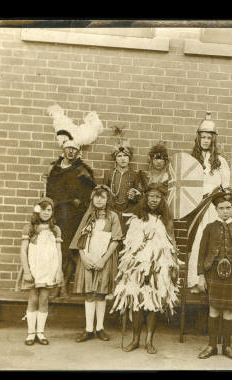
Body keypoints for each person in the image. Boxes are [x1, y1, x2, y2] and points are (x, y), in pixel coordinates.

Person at [110, 183, 181, 354]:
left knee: (153, 303)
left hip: (159, 266)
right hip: (138, 266)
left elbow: (172, 244)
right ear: (146, 198)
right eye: (151, 197)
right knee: (137, 301)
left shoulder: (166, 220)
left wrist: (174, 265)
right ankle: (135, 340)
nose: (154, 200)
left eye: (158, 197)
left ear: (162, 200)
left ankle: (149, 341)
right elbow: (130, 244)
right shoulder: (137, 218)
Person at [197, 192, 232, 360]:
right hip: (213, 272)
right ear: (216, 210)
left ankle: (227, 346)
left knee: (228, 311)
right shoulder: (209, 228)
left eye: (228, 208)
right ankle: (212, 345)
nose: (225, 211)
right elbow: (201, 253)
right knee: (213, 309)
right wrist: (201, 275)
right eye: (221, 208)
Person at [187, 112, 232, 293]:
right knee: (199, 241)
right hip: (197, 208)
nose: (205, 141)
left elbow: (226, 188)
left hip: (214, 208)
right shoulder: (191, 160)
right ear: (198, 138)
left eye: (209, 137)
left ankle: (215, 279)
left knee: (216, 241)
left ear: (213, 140)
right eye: (203, 137)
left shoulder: (220, 162)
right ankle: (196, 281)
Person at [69, 185, 123, 343]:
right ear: (92, 198)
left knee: (100, 293)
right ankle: (88, 329)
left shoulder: (113, 217)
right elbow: (80, 239)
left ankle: (99, 328)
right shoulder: (88, 216)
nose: (99, 200)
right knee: (89, 293)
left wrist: (103, 260)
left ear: (108, 200)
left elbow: (115, 240)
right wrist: (84, 258)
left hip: (103, 259)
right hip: (88, 258)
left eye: (103, 197)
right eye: (96, 197)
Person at [46, 140, 95, 298]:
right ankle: (56, 284)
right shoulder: (54, 169)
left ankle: (64, 285)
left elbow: (89, 193)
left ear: (78, 151)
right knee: (56, 250)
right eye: (69, 148)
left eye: (74, 149)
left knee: (69, 250)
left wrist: (79, 202)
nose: (71, 152)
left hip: (73, 217)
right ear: (63, 149)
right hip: (56, 215)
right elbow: (48, 193)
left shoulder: (82, 170)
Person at [19, 197, 63, 346]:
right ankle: (31, 333)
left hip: (49, 269)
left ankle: (40, 332)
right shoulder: (30, 228)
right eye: (43, 209)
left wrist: (58, 271)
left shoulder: (55, 229)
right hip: (34, 268)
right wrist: (26, 271)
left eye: (49, 209)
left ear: (52, 212)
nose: (46, 212)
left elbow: (58, 252)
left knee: (44, 299)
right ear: (37, 210)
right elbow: (23, 251)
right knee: (33, 299)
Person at [102, 138, 140, 232]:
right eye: (119, 156)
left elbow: (139, 197)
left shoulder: (135, 175)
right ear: (115, 158)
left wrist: (134, 195)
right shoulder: (109, 174)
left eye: (125, 156)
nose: (123, 158)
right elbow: (103, 193)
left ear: (129, 158)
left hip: (128, 212)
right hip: (111, 211)